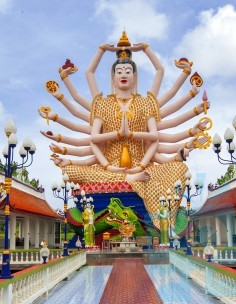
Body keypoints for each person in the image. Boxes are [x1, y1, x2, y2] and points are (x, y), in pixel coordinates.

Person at [38, 31, 211, 219]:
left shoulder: (145, 103)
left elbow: (154, 137)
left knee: (179, 169)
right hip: (108, 168)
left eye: (128, 71)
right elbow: (94, 139)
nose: (123, 74)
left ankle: (143, 195)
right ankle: (128, 179)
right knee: (69, 170)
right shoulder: (102, 104)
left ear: (135, 77)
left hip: (141, 166)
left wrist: (144, 48)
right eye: (119, 71)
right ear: (113, 77)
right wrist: (114, 147)